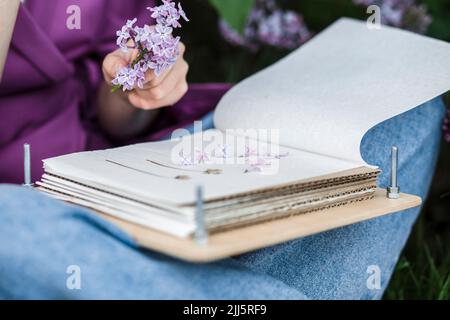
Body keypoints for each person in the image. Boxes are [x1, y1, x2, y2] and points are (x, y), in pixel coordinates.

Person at [0, 0, 446, 299]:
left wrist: (131, 89)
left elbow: (114, 114)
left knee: (399, 114)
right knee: (14, 225)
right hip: (28, 202)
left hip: (118, 169)